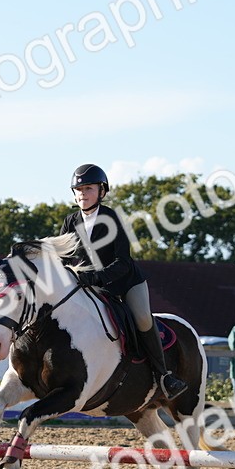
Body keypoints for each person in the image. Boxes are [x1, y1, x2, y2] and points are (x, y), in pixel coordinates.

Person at [59, 163, 188, 400]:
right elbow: (62, 258)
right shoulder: (70, 222)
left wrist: (96, 277)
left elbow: (123, 261)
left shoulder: (110, 218)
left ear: (101, 192)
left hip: (124, 282)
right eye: (79, 190)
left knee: (142, 318)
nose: (82, 194)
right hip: (90, 286)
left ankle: (164, 375)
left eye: (88, 189)